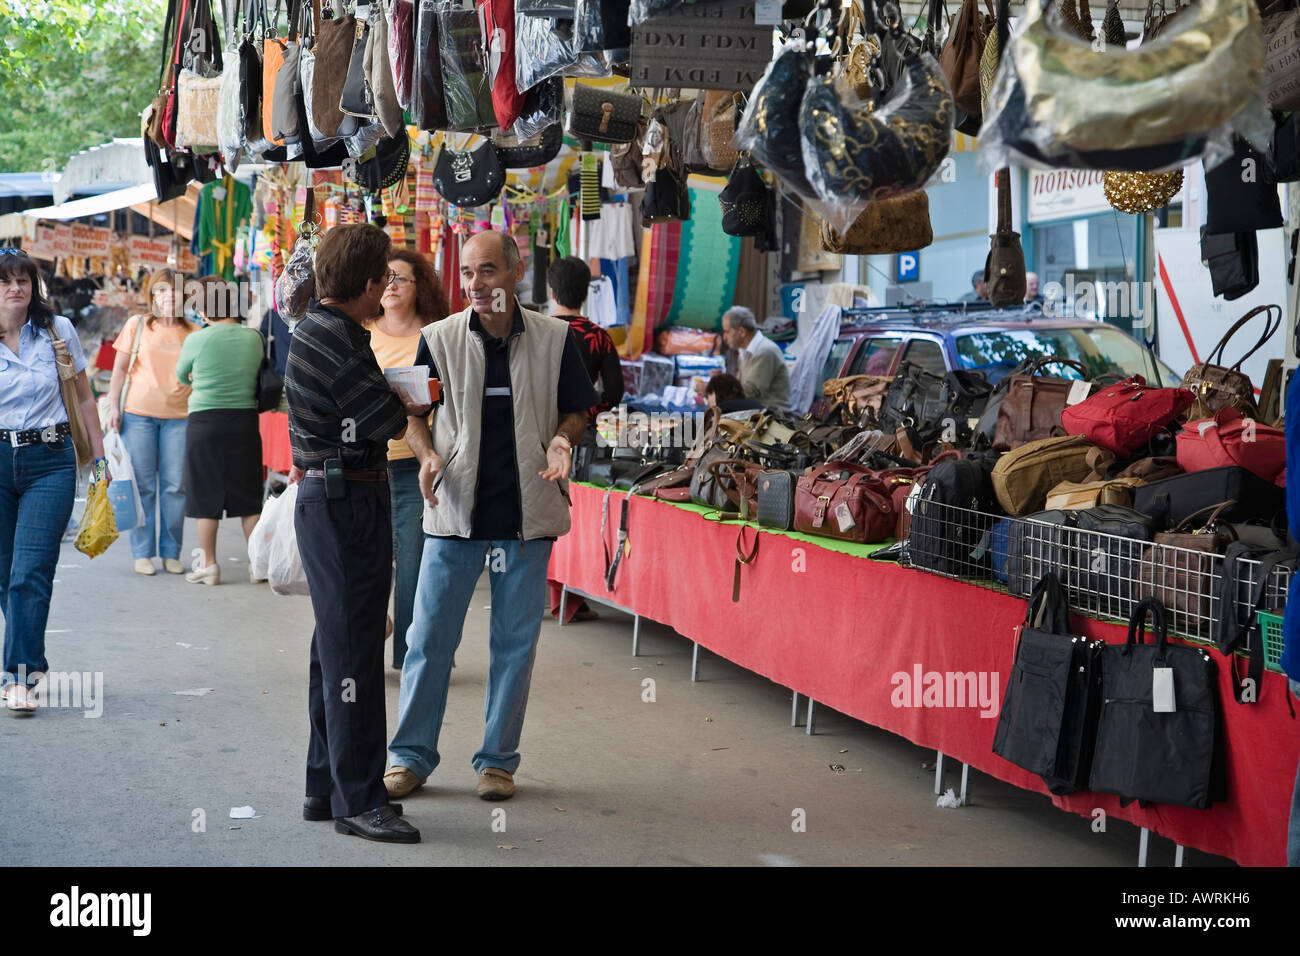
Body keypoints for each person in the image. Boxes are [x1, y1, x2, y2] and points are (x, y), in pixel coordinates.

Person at [384, 230, 598, 803]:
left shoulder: (556, 340)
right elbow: (414, 412)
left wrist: (560, 439)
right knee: (426, 639)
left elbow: (578, 410)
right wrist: (427, 454)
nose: (476, 285)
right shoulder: (438, 338)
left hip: (528, 520)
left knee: (515, 645)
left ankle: (498, 762)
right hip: (454, 515)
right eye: (469, 274)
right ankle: (409, 757)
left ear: (515, 271)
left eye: (487, 272)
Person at [285, 223, 424, 845]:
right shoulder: (338, 338)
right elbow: (387, 417)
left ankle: (327, 785)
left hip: (336, 497)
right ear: (366, 283)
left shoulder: (321, 326)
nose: (386, 295)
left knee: (336, 650)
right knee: (354, 659)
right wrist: (413, 402)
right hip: (345, 501)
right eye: (384, 283)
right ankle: (359, 798)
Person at [0, 249, 108, 712]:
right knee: (5, 576)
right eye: (5, 282)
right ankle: (26, 659)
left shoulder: (56, 332)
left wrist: (100, 462)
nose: (15, 289)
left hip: (51, 460)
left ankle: (19, 675)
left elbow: (84, 398)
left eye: (23, 280)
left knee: (30, 571)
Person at [365, 249, 450, 669]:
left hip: (418, 465)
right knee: (369, 559)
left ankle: (411, 655)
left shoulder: (437, 335)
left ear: (421, 288)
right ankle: (370, 635)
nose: (392, 285)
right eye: (386, 277)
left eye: (401, 278)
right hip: (367, 462)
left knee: (415, 561)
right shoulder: (361, 331)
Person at [106, 268, 198, 576]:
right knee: (142, 485)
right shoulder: (138, 325)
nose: (168, 296)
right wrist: (114, 407)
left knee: (175, 486)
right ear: (153, 295)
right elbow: (119, 370)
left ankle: (171, 552)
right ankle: (142, 552)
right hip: (138, 414)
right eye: (161, 290)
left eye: (174, 290)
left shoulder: (194, 332)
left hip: (180, 417)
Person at [174, 275, 265, 585]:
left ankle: (209, 564)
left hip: (204, 422)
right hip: (244, 422)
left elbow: (182, 375)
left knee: (205, 494)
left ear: (204, 308)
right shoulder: (253, 337)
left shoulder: (196, 339)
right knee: (249, 496)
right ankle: (257, 564)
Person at [546, 256, 624, 422]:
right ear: (585, 293)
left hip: (541, 427)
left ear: (552, 293)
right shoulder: (599, 336)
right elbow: (614, 392)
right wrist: (587, 412)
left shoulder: (537, 331)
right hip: (582, 430)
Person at [721, 305, 790, 412]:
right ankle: (691, 426)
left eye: (727, 331)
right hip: (757, 409)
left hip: (775, 415)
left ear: (742, 332)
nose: (724, 337)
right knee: (710, 409)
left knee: (720, 408)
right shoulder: (744, 351)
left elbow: (750, 392)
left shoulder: (764, 351)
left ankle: (692, 427)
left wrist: (718, 386)